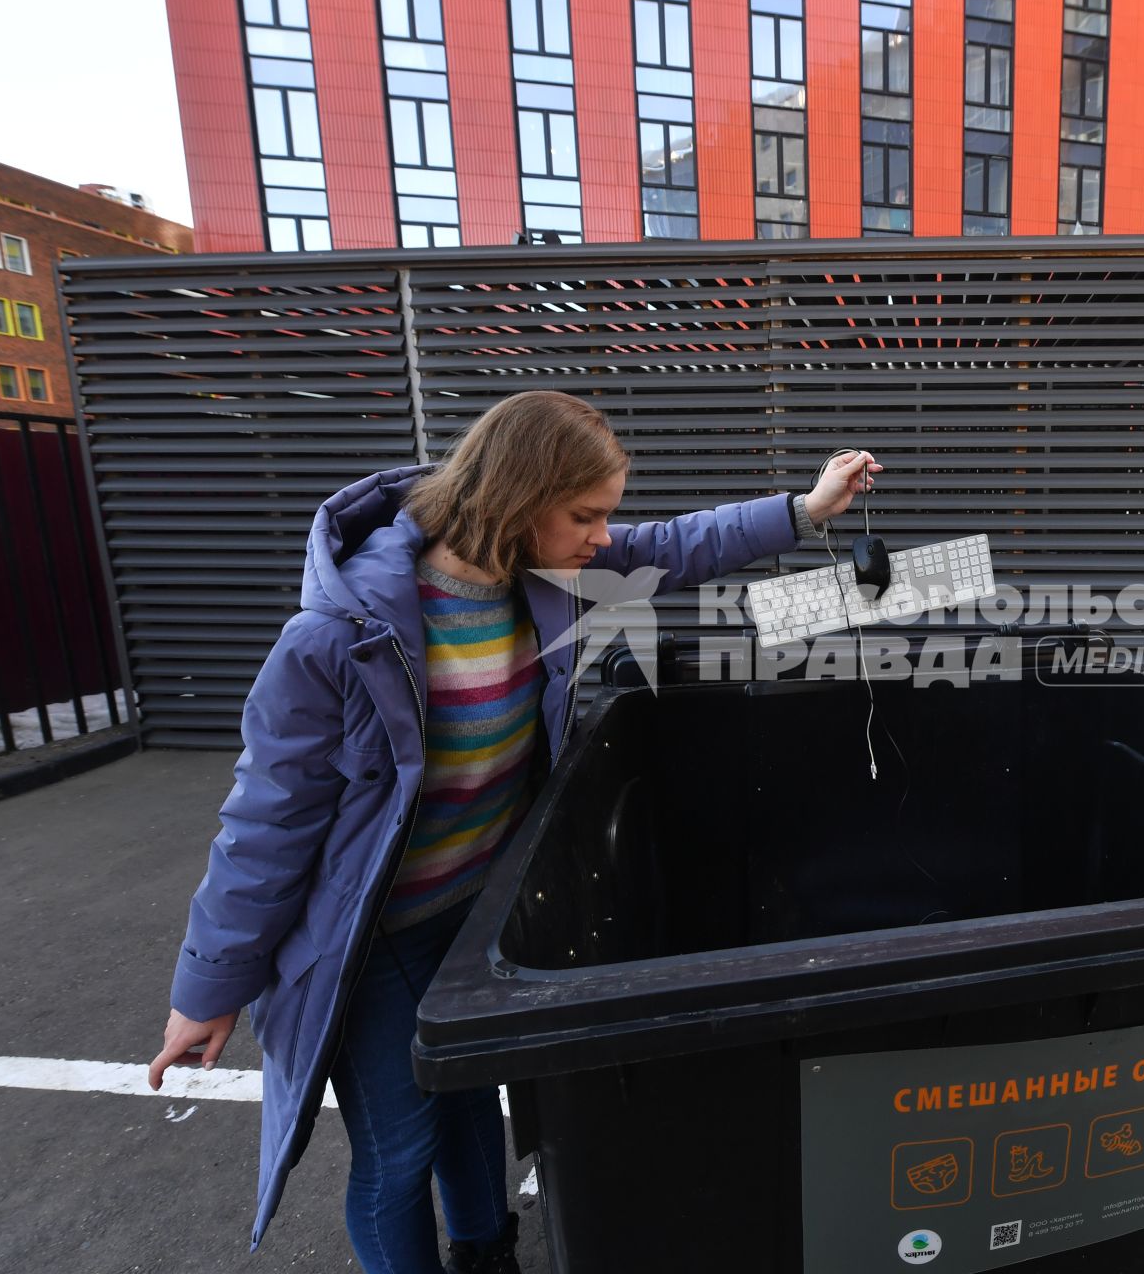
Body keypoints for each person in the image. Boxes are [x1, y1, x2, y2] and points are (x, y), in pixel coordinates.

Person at [145, 391, 880, 1272]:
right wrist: (208, 989)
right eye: (586, 515)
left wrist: (803, 510)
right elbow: (264, 826)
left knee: (466, 1108)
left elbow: (671, 545)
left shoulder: (544, 574)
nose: (605, 536)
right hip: (367, 944)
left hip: (471, 919)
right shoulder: (335, 641)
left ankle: (487, 1253)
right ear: (518, 498)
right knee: (397, 1156)